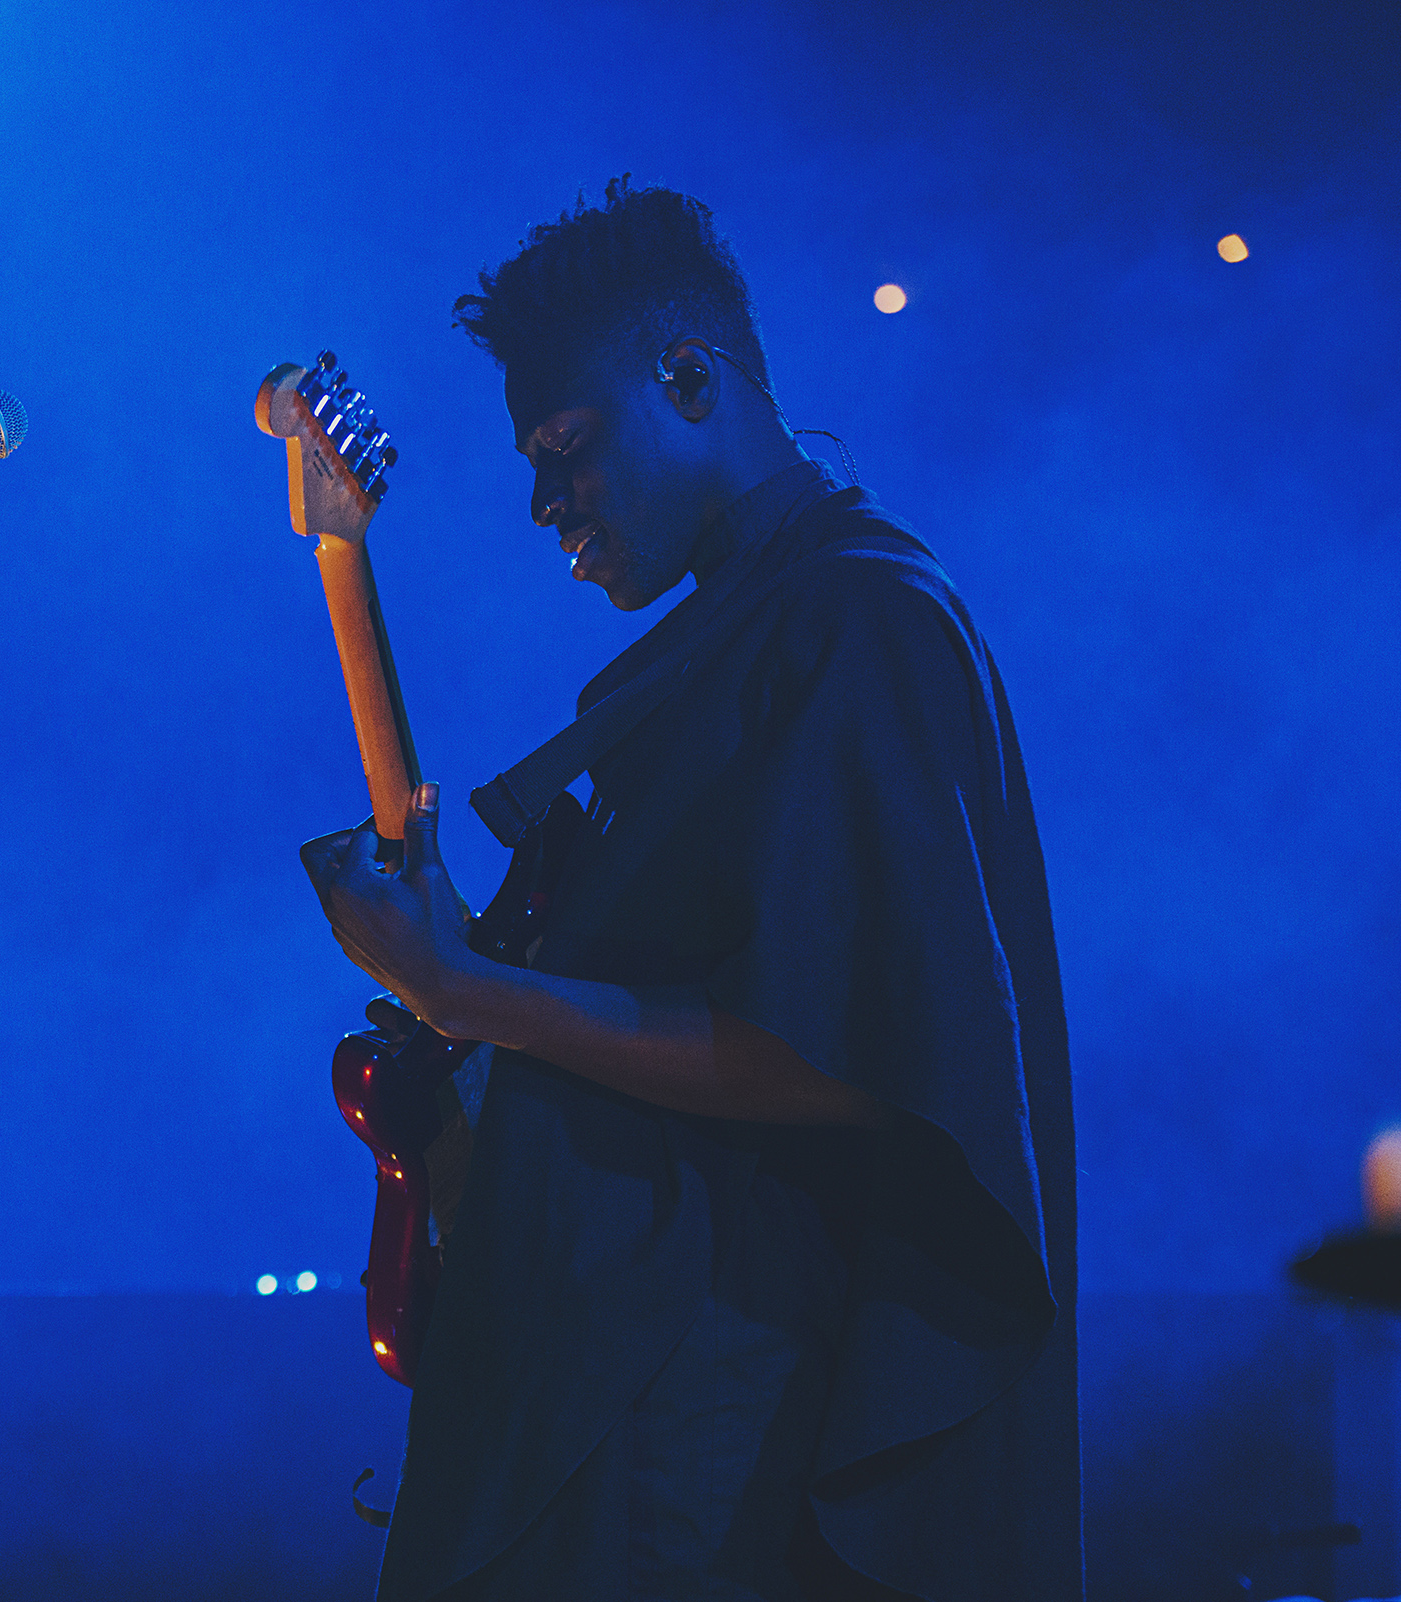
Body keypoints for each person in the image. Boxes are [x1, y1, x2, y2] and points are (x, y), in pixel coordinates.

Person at [300, 179, 1079, 1601]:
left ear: (687, 376)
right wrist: (345, 560)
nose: (544, 503)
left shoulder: (864, 616)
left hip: (700, 1440)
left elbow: (854, 1059)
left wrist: (469, 989)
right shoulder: (750, 631)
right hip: (616, 1393)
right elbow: (514, 991)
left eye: (566, 447)